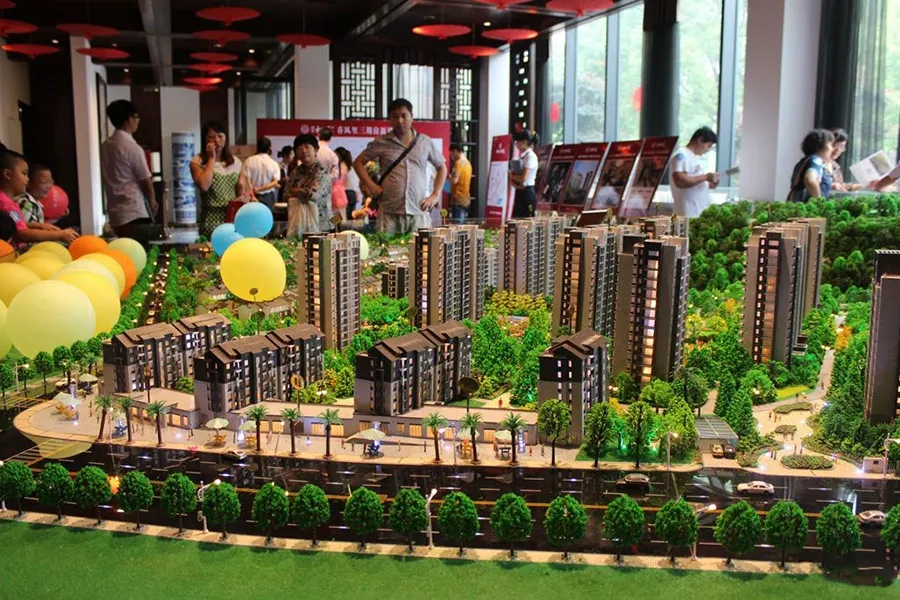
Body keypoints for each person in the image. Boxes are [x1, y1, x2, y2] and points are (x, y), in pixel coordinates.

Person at [353, 98, 447, 234]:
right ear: (389, 119)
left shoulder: (425, 142)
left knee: (420, 247)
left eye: (404, 116)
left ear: (412, 117)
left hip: (418, 211)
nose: (400, 121)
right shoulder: (381, 142)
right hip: (389, 212)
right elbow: (358, 163)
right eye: (395, 116)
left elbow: (442, 167)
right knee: (387, 247)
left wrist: (435, 195)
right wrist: (371, 186)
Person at [101, 100, 158, 245]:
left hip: (115, 213)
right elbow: (145, 179)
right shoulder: (131, 147)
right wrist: (152, 200)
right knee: (140, 251)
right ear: (128, 119)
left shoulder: (106, 146)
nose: (138, 121)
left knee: (125, 249)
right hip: (134, 211)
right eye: (136, 117)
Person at [0, 150, 78, 246]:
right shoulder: (9, 204)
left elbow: (17, 226)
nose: (27, 179)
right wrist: (59, 235)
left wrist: (40, 225)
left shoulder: (6, 201)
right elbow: (22, 234)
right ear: (7, 174)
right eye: (24, 173)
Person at [190, 121, 243, 237]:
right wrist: (211, 158)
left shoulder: (236, 162)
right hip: (211, 217)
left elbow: (241, 191)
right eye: (212, 137)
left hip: (232, 216)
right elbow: (204, 186)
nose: (217, 141)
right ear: (205, 139)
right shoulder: (197, 161)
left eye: (220, 136)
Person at [285, 134, 331, 237]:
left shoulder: (322, 170)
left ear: (316, 150)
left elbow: (313, 195)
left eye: (307, 147)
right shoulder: (296, 172)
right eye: (299, 148)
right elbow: (286, 194)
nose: (303, 151)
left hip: (320, 224)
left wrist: (295, 191)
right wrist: (301, 191)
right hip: (299, 223)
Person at [669, 127, 719, 218]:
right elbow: (680, 181)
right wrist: (706, 177)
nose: (708, 149)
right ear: (700, 140)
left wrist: (710, 184)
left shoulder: (693, 157)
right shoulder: (682, 155)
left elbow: (695, 182)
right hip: (688, 213)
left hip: (697, 212)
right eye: (708, 145)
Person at [787, 129, 834, 202]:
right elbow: (810, 180)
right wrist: (819, 201)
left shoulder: (803, 162)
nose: (832, 149)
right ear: (821, 145)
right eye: (830, 144)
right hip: (808, 205)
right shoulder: (816, 161)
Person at [243, 137, 281, 210]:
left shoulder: (249, 160)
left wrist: (252, 194)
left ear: (257, 147)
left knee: (253, 215)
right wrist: (260, 189)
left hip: (252, 195)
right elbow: (275, 182)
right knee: (267, 215)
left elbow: (247, 180)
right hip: (268, 197)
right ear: (269, 148)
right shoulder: (273, 163)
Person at [509, 130, 539, 218]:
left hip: (527, 194)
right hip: (521, 191)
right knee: (517, 221)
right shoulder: (523, 156)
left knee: (526, 221)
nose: (516, 144)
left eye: (518, 141)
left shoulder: (530, 156)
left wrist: (511, 176)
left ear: (524, 142)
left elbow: (523, 177)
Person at [449, 143, 472, 223]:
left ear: (455, 151)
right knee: (462, 225)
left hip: (457, 198)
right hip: (466, 198)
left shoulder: (458, 163)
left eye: (451, 154)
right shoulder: (468, 163)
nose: (451, 157)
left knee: (457, 226)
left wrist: (449, 177)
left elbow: (454, 180)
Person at [336, 147, 361, 219]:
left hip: (344, 193)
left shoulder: (340, 166)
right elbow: (356, 182)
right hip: (353, 193)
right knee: (351, 217)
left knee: (342, 216)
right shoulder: (351, 167)